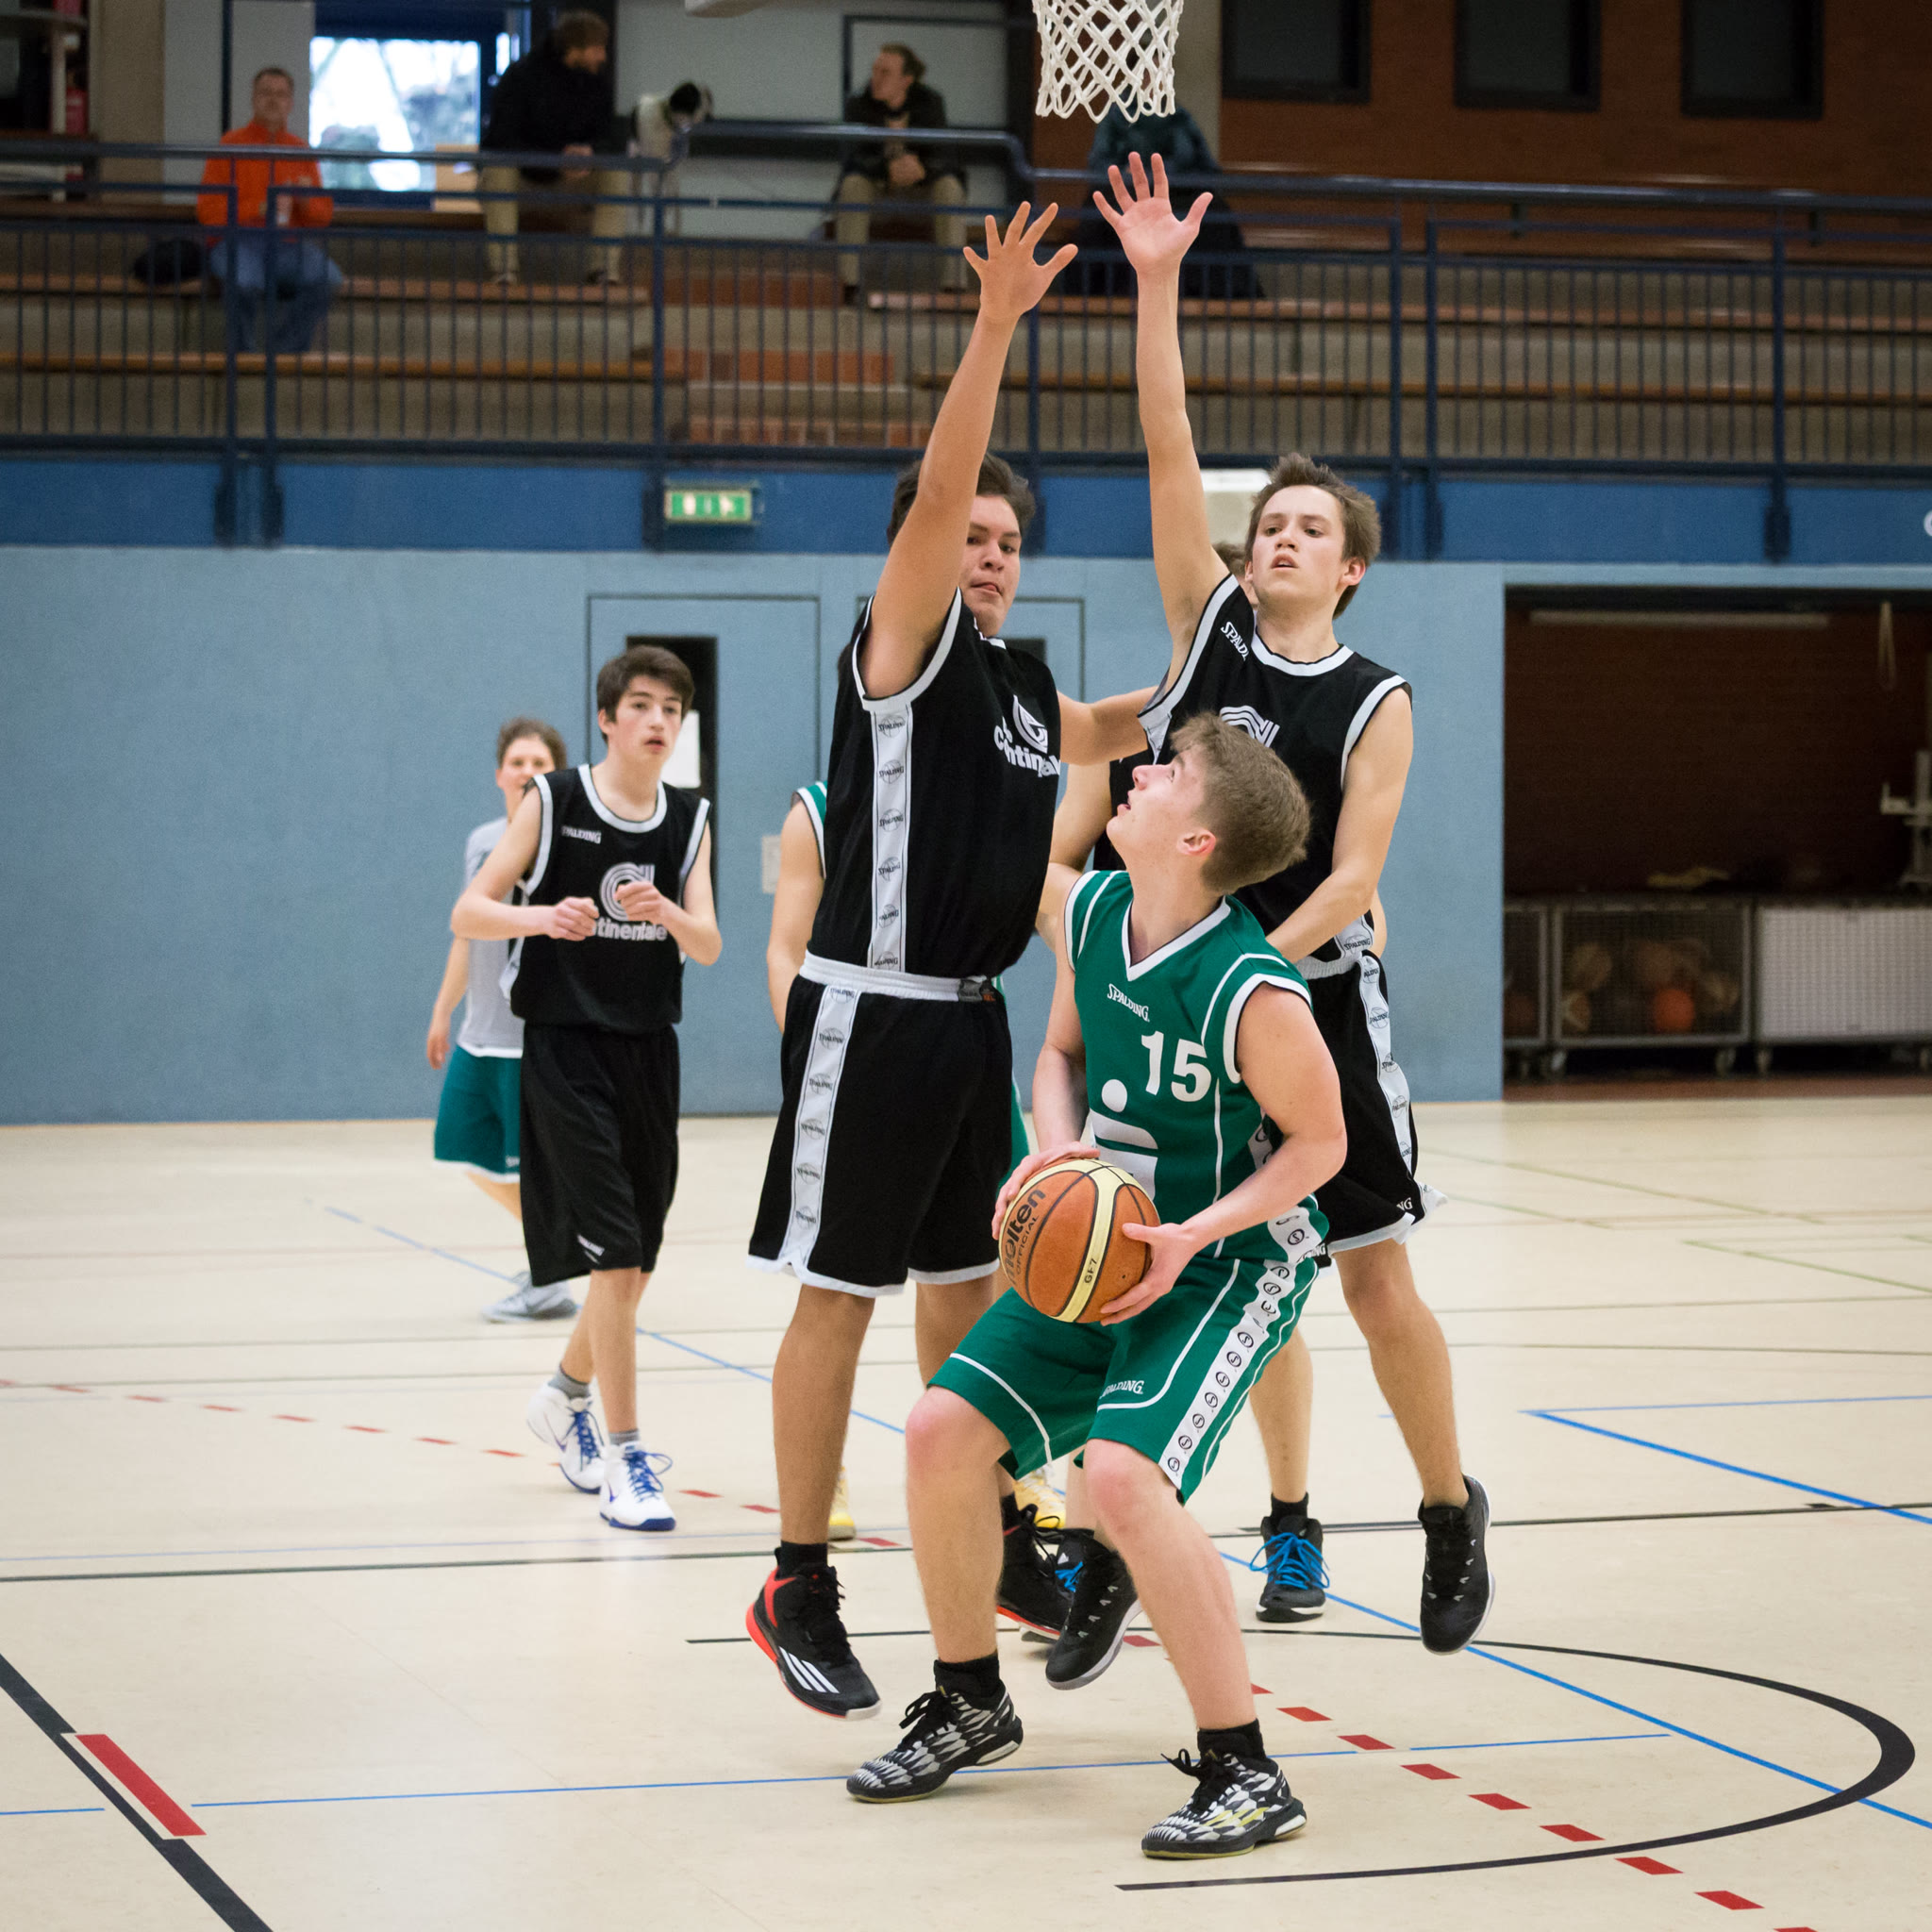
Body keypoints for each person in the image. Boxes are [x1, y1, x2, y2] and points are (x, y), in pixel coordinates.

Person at [745, 203, 1150, 1721]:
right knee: (837, 1299)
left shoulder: (1027, 687)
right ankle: (796, 1578)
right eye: (970, 534)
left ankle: (1000, 1528)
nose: (988, 554)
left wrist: (1226, 671)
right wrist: (993, 330)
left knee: (968, 1289)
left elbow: (1104, 725)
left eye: (1008, 541)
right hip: (872, 1011)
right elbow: (934, 500)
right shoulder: (900, 645)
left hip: (972, 1027)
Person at [1092, 154, 1494, 1652]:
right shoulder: (1205, 630)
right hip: (1188, 1013)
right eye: (1271, 523)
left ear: (1354, 569)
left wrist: (1236, 963)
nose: (1281, 538)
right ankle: (1221, 1530)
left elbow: (1354, 881)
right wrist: (1154, 282)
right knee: (1198, 1278)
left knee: (1374, 1281)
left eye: (1311, 529)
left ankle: (1447, 1510)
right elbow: (1165, 440)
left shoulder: (1377, 697)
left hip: (1310, 1002)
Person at [846, 715, 1346, 1860]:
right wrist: (1052, 1152)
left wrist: (1190, 1233)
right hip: (1108, 1243)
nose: (1141, 772)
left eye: (1169, 773)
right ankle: (969, 1699)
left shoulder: (1253, 989)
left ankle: (1246, 1768)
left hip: (1224, 1262)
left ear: (1197, 839)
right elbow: (1060, 1054)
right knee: (937, 1431)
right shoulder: (1092, 911)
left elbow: (1319, 1144)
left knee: (1119, 1478)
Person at [453, 647, 720, 1531]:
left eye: (671, 709)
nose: (657, 720)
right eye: (640, 704)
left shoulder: (690, 819)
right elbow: (469, 911)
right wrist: (543, 916)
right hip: (565, 1050)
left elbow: (709, 943)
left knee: (634, 1265)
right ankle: (627, 1458)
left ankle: (564, 1394)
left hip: (650, 1054)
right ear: (607, 719)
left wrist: (668, 913)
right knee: (614, 1255)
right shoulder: (554, 799)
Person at [766, 778, 1068, 1544]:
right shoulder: (819, 813)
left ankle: (999, 1472)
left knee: (976, 1281)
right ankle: (820, 1477)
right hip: (864, 1045)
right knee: (836, 1289)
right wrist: (813, 1064)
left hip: (968, 1049)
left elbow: (1056, 908)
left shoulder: (985, 797)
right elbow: (786, 952)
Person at [427, 717, 577, 1324]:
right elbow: (466, 932)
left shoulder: (568, 845)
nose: (527, 772)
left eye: (540, 764)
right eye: (518, 763)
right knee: (462, 1148)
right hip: (479, 1035)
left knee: (531, 1170)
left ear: (557, 778)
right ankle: (561, 1244)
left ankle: (551, 1273)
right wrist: (443, 1010)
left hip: (530, 1037)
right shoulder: (481, 841)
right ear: (499, 775)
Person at [196, 67, 343, 355]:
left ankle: (283, 355)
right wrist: (260, 207)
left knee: (328, 279)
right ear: (253, 99)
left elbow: (323, 215)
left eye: (281, 94)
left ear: (291, 103)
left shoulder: (300, 150)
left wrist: (304, 202)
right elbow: (208, 211)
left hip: (286, 244)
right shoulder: (230, 145)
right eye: (266, 93)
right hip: (237, 241)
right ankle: (244, 357)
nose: (273, 100)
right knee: (243, 281)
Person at [479, 11, 627, 286]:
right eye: (598, 48)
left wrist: (589, 154)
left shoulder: (597, 83)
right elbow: (500, 139)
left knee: (617, 174)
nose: (603, 57)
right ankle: (504, 271)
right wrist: (554, 161)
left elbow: (609, 136)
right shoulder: (521, 76)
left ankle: (604, 270)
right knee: (497, 169)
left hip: (571, 182)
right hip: (527, 181)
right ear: (577, 47)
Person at [834, 43, 967, 299]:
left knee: (950, 188)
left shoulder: (930, 103)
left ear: (906, 80)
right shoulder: (858, 105)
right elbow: (853, 156)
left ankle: (953, 288)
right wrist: (887, 169)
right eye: (875, 70)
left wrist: (923, 170)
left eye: (885, 72)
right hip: (879, 190)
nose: (876, 78)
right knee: (852, 185)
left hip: (920, 192)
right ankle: (848, 285)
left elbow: (945, 154)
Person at [628, 80, 710, 236]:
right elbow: (655, 173)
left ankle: (668, 228)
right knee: (641, 185)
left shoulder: (677, 116)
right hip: (644, 134)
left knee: (671, 183)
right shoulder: (653, 115)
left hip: (660, 127)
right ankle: (640, 231)